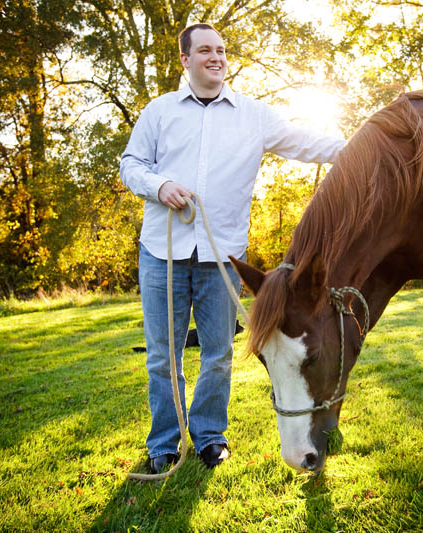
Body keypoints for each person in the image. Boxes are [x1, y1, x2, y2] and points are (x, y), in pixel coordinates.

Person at [120, 23, 345, 473]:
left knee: (219, 355)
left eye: (221, 50)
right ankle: (164, 443)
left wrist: (363, 148)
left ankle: (208, 437)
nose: (216, 57)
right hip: (161, 256)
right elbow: (131, 164)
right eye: (205, 50)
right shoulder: (160, 112)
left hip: (220, 260)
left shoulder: (253, 115)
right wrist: (159, 184)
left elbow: (306, 143)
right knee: (164, 357)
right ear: (185, 59)